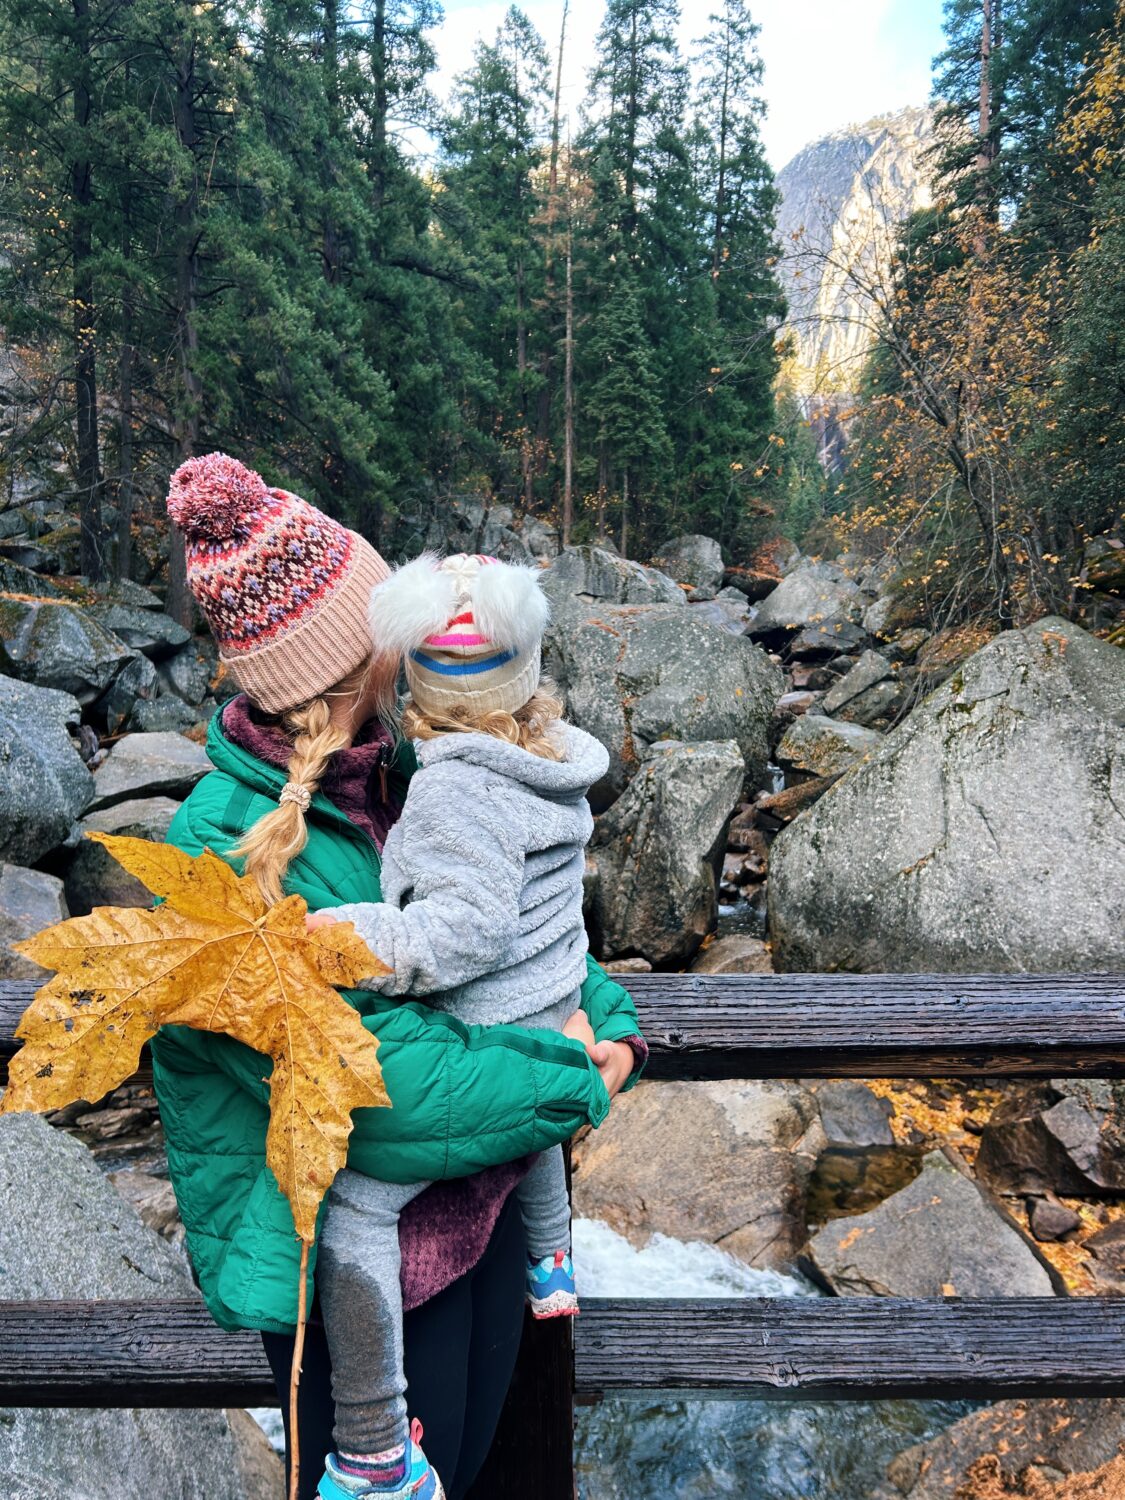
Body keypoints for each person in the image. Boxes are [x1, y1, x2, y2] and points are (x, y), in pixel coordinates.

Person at [150, 454, 645, 1500]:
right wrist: (573, 1079)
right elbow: (367, 1088)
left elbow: (527, 927)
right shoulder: (223, 848)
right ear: (350, 657)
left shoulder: (417, 766)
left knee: (477, 1468)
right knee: (407, 1473)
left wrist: (610, 1019)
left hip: (482, 1200)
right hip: (348, 1256)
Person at [305, 551, 609, 1498]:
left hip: (486, 1019)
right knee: (539, 1116)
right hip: (551, 998)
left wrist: (349, 930)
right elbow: (536, 907)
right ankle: (552, 1258)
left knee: (355, 1210)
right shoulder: (555, 759)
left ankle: (373, 1452)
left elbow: (460, 934)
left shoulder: (448, 789)